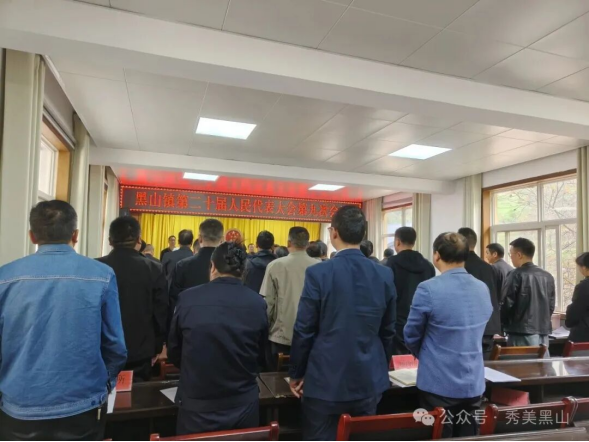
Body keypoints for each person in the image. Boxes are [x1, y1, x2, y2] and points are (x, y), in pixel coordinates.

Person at [0, 201, 127, 441]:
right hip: (83, 403)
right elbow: (116, 346)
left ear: (32, 236)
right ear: (75, 235)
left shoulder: (4, 276)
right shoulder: (102, 275)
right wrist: (106, 383)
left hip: (19, 405)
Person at [289, 206, 396, 441]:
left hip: (324, 378)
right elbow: (388, 331)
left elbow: (304, 328)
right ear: (363, 233)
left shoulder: (319, 273)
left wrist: (296, 372)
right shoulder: (384, 274)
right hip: (368, 379)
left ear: (334, 232)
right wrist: (380, 366)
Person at [168, 242, 268, 436]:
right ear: (244, 271)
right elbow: (261, 356)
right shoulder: (257, 303)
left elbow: (174, 351)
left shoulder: (187, 299)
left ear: (212, 266)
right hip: (243, 404)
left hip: (197, 405)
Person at [405, 232, 492, 438]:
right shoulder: (482, 288)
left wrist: (426, 354)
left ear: (436, 255)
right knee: (469, 434)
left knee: (439, 434)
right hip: (473, 382)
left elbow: (411, 334)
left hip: (438, 381)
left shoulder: (428, 289)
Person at [98, 216, 168, 382]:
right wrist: (157, 346)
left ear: (110, 241)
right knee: (138, 394)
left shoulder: (97, 267)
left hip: (102, 349)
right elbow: (161, 312)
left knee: (102, 393)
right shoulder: (154, 268)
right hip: (141, 351)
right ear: (139, 240)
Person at [261, 227, 318, 371]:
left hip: (281, 335)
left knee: (277, 379)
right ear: (307, 244)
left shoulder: (275, 265)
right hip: (312, 336)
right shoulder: (320, 267)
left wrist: (265, 330)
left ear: (288, 243)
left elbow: (269, 303)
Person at [385, 227, 435, 355]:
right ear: (413, 242)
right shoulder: (428, 266)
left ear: (397, 242)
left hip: (396, 324)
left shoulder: (390, 265)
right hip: (421, 323)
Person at [502, 238, 556, 354]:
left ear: (519, 255)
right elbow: (551, 306)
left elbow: (507, 303)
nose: (511, 258)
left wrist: (502, 324)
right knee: (541, 363)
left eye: (511, 254)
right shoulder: (547, 276)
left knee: (522, 364)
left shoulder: (515, 274)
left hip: (520, 332)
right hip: (543, 331)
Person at [458, 228, 502, 360]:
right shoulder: (489, 268)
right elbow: (496, 296)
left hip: (466, 325)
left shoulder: (459, 267)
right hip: (488, 325)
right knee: (485, 366)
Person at [169, 219, 224, 315]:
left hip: (190, 319)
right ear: (222, 240)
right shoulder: (232, 266)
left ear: (200, 239)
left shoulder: (182, 265)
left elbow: (174, 301)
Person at [566, 253, 589, 343]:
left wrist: (569, 321)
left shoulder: (584, 287)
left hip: (584, 336)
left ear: (584, 267)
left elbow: (575, 312)